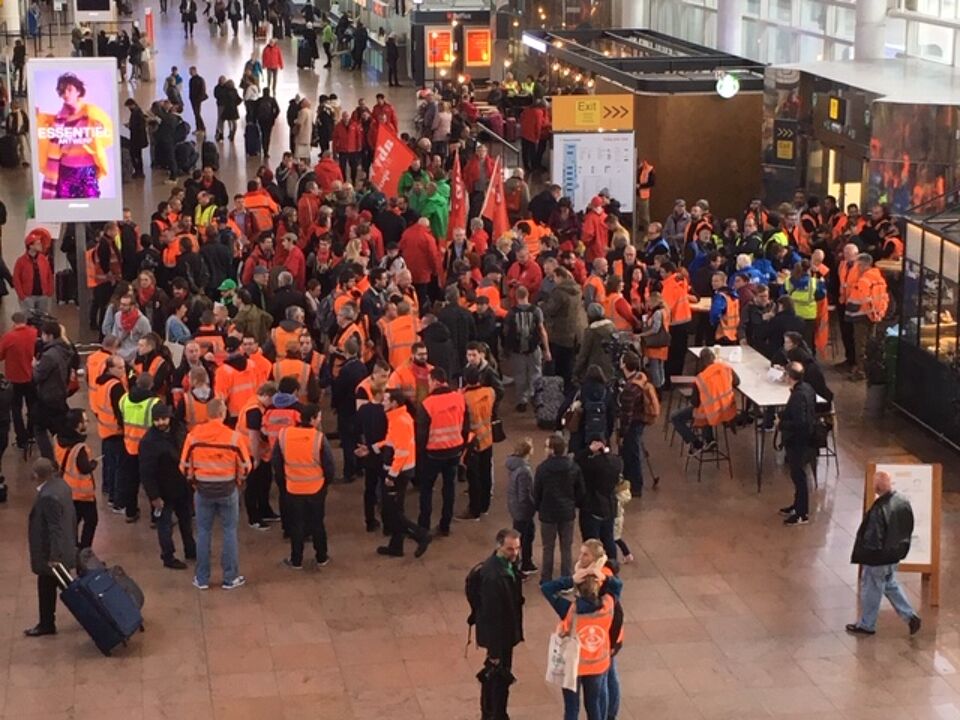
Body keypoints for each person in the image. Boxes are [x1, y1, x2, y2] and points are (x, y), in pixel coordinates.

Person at [179, 398, 252, 590]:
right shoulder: (234, 437)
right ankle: (230, 577)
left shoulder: (193, 437)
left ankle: (202, 578)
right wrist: (237, 481)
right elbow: (246, 465)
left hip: (203, 490)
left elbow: (184, 465)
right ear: (223, 413)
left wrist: (194, 482)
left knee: (203, 532)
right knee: (229, 532)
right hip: (228, 490)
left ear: (207, 414)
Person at [541, 555, 621, 720]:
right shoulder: (608, 605)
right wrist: (603, 576)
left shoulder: (569, 609)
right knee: (594, 706)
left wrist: (571, 579)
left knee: (571, 708)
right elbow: (617, 586)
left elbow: (546, 588)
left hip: (572, 666)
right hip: (597, 665)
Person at [846, 470, 922, 637]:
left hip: (878, 558)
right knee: (890, 584)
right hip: (894, 554)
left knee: (871, 588)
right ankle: (910, 616)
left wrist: (865, 555)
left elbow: (873, 538)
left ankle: (867, 624)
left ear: (877, 487)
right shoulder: (902, 501)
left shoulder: (879, 509)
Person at [361, 389, 432, 557]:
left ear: (394, 403)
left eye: (386, 400)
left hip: (398, 473)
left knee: (391, 512)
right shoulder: (397, 418)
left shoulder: (399, 421)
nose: (383, 402)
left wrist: (391, 476)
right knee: (395, 510)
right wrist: (372, 448)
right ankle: (396, 546)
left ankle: (420, 535)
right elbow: (391, 441)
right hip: (400, 470)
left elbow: (401, 453)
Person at [471, 528, 525, 720]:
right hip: (499, 638)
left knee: (497, 678)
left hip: (505, 633)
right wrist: (494, 651)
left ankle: (495, 713)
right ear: (499, 546)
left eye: (517, 548)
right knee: (497, 680)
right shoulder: (493, 576)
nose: (515, 553)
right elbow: (492, 616)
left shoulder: (507, 565)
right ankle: (494, 715)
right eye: (510, 549)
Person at [274, 404, 336, 569]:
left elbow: (277, 463)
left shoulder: (284, 435)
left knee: (296, 525)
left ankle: (296, 560)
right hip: (316, 489)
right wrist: (325, 484)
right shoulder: (319, 438)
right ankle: (322, 557)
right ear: (313, 419)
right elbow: (329, 466)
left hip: (293, 488)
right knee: (317, 524)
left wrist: (284, 482)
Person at [36, 72, 114, 200]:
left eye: (69, 90)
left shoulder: (91, 112)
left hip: (87, 170)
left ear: (78, 91)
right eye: (62, 91)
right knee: (66, 208)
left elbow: (107, 135)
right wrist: (38, 118)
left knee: (92, 207)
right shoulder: (58, 119)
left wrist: (98, 131)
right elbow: (48, 138)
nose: (65, 94)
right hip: (66, 170)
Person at [140, 403, 196, 568]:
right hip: (163, 491)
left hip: (182, 487)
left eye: (164, 418)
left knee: (186, 521)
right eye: (157, 420)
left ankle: (191, 550)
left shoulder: (179, 430)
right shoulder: (149, 442)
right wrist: (154, 496)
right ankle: (168, 557)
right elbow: (146, 472)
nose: (161, 423)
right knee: (164, 526)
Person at [25, 458, 76, 637]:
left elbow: (55, 528)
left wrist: (54, 557)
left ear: (36, 475)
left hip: (52, 554)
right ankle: (93, 612)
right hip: (65, 548)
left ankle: (46, 624)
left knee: (48, 587)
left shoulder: (47, 497)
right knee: (68, 587)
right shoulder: (61, 486)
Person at [417, 367, 469, 536]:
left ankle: (423, 526)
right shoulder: (459, 399)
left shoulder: (427, 404)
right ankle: (445, 525)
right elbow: (466, 427)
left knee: (426, 490)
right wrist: (462, 448)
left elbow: (421, 434)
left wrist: (420, 455)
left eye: (429, 382)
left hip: (433, 453)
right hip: (454, 451)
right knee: (449, 489)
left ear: (435, 382)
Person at [534, 433, 584, 582]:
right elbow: (580, 490)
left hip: (548, 513)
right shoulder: (573, 467)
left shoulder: (542, 469)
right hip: (567, 512)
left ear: (552, 450)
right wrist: (574, 504)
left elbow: (537, 491)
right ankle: (566, 579)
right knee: (566, 547)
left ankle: (546, 579)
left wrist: (539, 507)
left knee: (548, 547)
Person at [671, 347, 739, 454]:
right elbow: (737, 382)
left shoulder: (701, 378)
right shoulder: (726, 368)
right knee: (705, 407)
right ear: (714, 358)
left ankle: (696, 443)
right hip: (727, 410)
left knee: (676, 417)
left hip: (710, 413)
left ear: (701, 362)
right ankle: (709, 439)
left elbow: (695, 402)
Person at [777, 362, 816, 526]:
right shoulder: (807, 389)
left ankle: (802, 513)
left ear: (789, 377)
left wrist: (782, 424)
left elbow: (800, 422)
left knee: (799, 475)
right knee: (796, 475)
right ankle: (797, 505)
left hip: (799, 441)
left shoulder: (798, 395)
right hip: (803, 439)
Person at [53, 409, 98, 550]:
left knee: (74, 520)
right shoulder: (80, 448)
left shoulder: (58, 439)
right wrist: (93, 464)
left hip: (67, 488)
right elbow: (84, 468)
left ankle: (71, 545)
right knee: (91, 521)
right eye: (85, 421)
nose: (87, 423)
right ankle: (85, 549)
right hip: (83, 493)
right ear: (78, 425)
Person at [458, 364, 496, 520]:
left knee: (474, 477)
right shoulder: (490, 392)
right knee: (486, 473)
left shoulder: (464, 398)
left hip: (472, 442)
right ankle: (485, 505)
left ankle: (474, 510)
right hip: (487, 438)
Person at [504, 285, 550, 412]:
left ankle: (522, 401)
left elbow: (506, 332)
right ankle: (536, 398)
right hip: (534, 348)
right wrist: (546, 349)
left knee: (520, 375)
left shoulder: (511, 313)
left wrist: (506, 349)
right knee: (536, 373)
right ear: (528, 295)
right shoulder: (536, 310)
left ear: (516, 297)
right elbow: (542, 330)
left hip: (517, 350)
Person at [33, 321, 74, 461]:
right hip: (60, 394)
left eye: (43, 334)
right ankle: (65, 456)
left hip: (48, 397)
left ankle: (49, 460)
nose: (41, 337)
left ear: (49, 336)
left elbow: (38, 376)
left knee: (39, 428)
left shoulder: (49, 355)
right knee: (60, 428)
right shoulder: (64, 350)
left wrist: (35, 366)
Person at [0, 311, 38, 451]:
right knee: (32, 405)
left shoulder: (8, 337)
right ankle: (32, 433)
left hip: (14, 378)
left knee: (16, 409)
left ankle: (21, 438)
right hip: (31, 376)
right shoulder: (33, 333)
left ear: (13, 322)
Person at [187, 66, 207, 132]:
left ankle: (201, 127)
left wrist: (199, 98)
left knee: (197, 113)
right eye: (189, 72)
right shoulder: (191, 79)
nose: (190, 73)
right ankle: (199, 127)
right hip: (192, 99)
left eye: (191, 71)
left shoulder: (200, 79)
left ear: (195, 71)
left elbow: (203, 89)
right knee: (196, 114)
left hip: (197, 100)